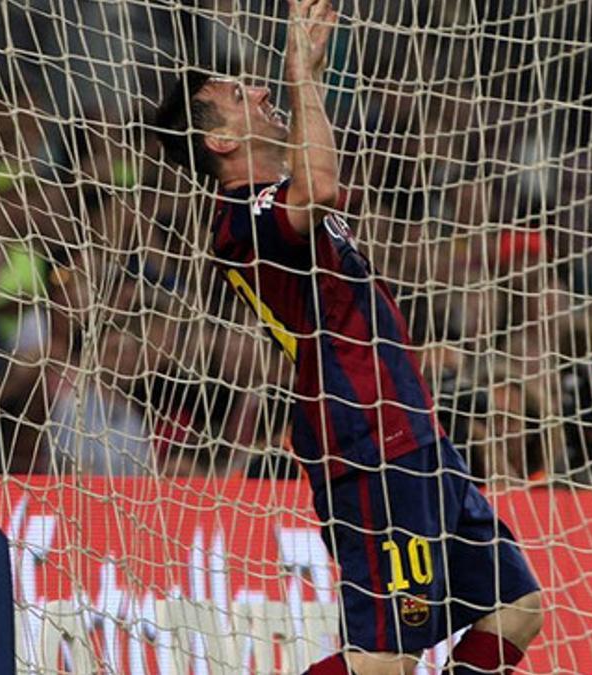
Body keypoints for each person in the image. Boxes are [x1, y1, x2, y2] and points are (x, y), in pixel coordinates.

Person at [151, 2, 543, 674]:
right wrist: (301, 68)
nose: (264, 88)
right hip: (367, 443)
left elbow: (316, 178)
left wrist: (310, 69)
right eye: (242, 92)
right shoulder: (245, 221)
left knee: (517, 606)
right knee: (387, 656)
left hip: (412, 433)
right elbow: (324, 185)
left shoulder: (277, 198)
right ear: (219, 142)